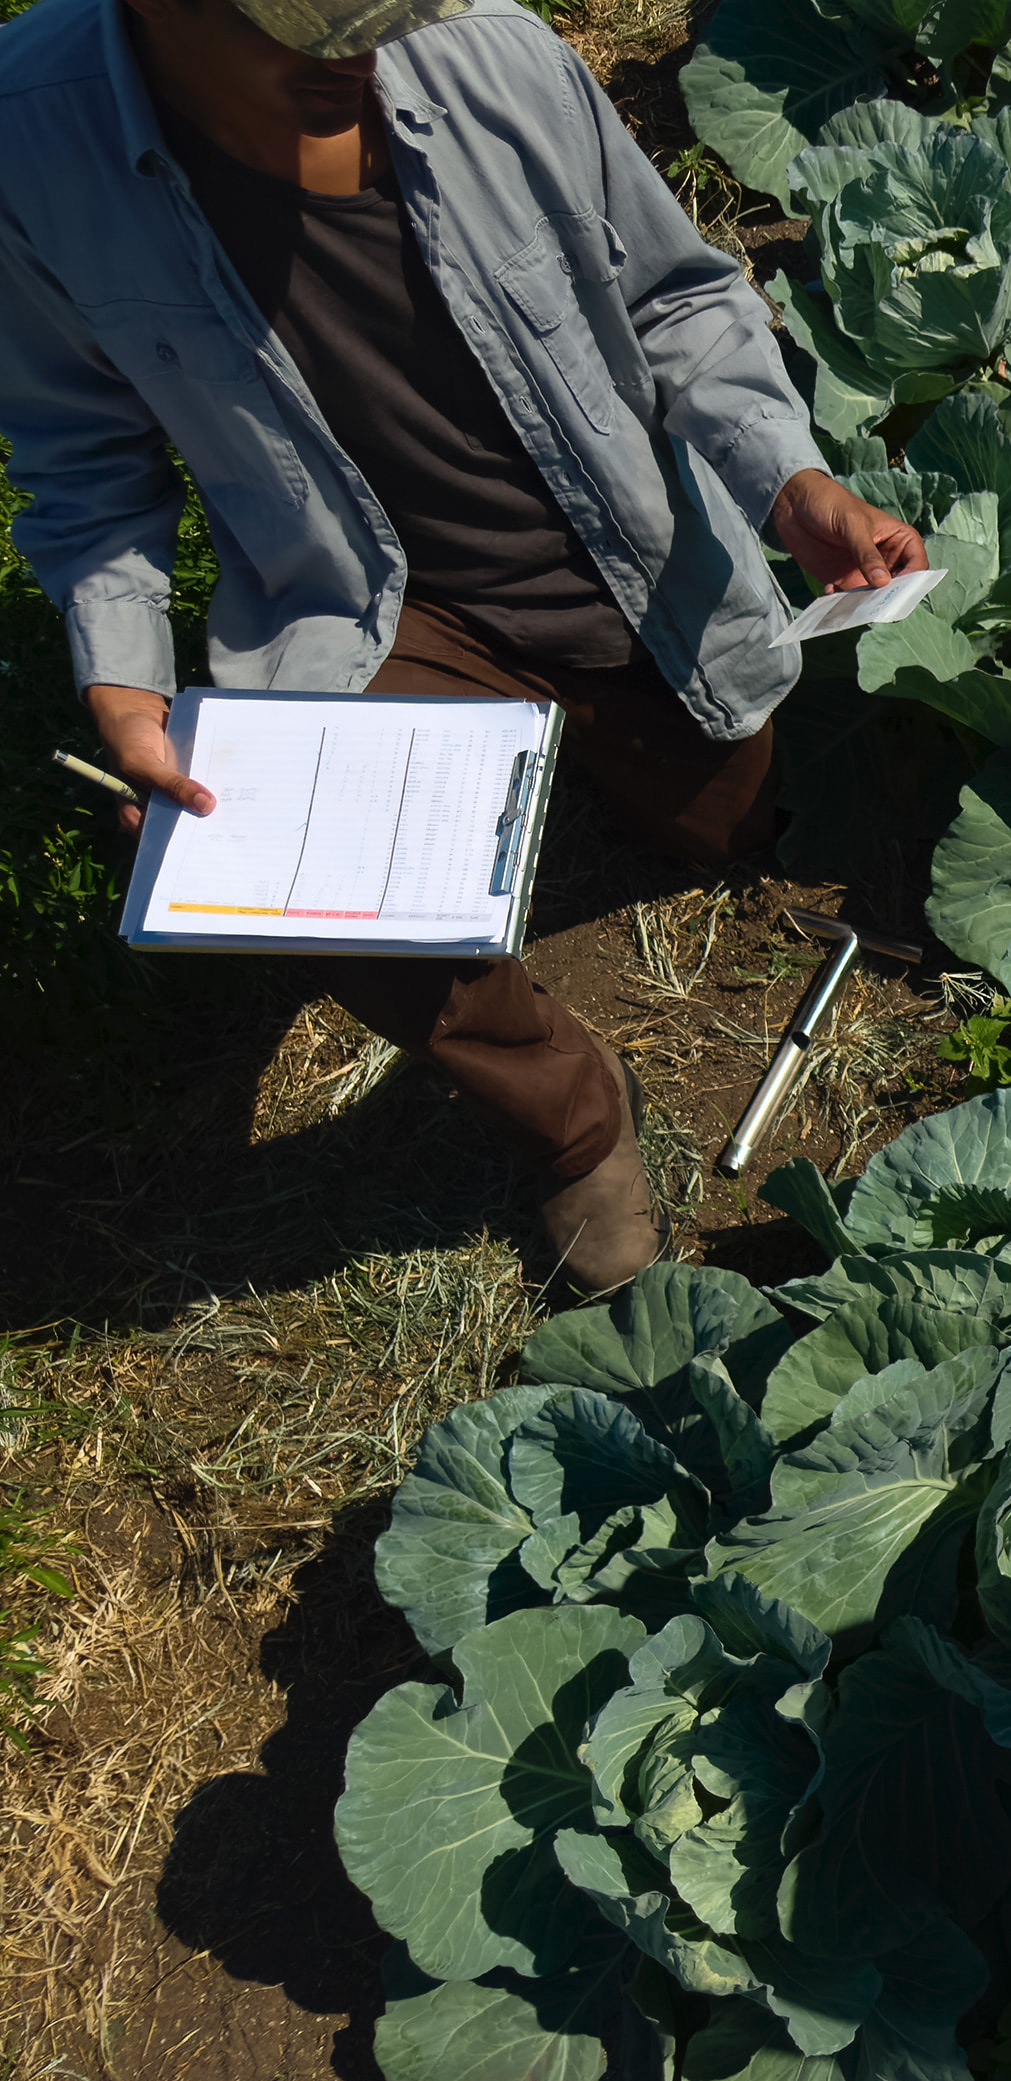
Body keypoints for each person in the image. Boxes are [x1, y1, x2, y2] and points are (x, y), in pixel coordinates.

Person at [0, 0, 924, 1293]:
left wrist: (791, 482)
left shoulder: (496, 52)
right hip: (359, 607)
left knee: (730, 819)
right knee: (286, 862)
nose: (369, 65)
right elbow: (83, 455)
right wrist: (124, 673)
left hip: (628, 565)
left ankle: (621, 759)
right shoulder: (32, 138)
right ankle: (570, 1117)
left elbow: (677, 300)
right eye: (316, 38)